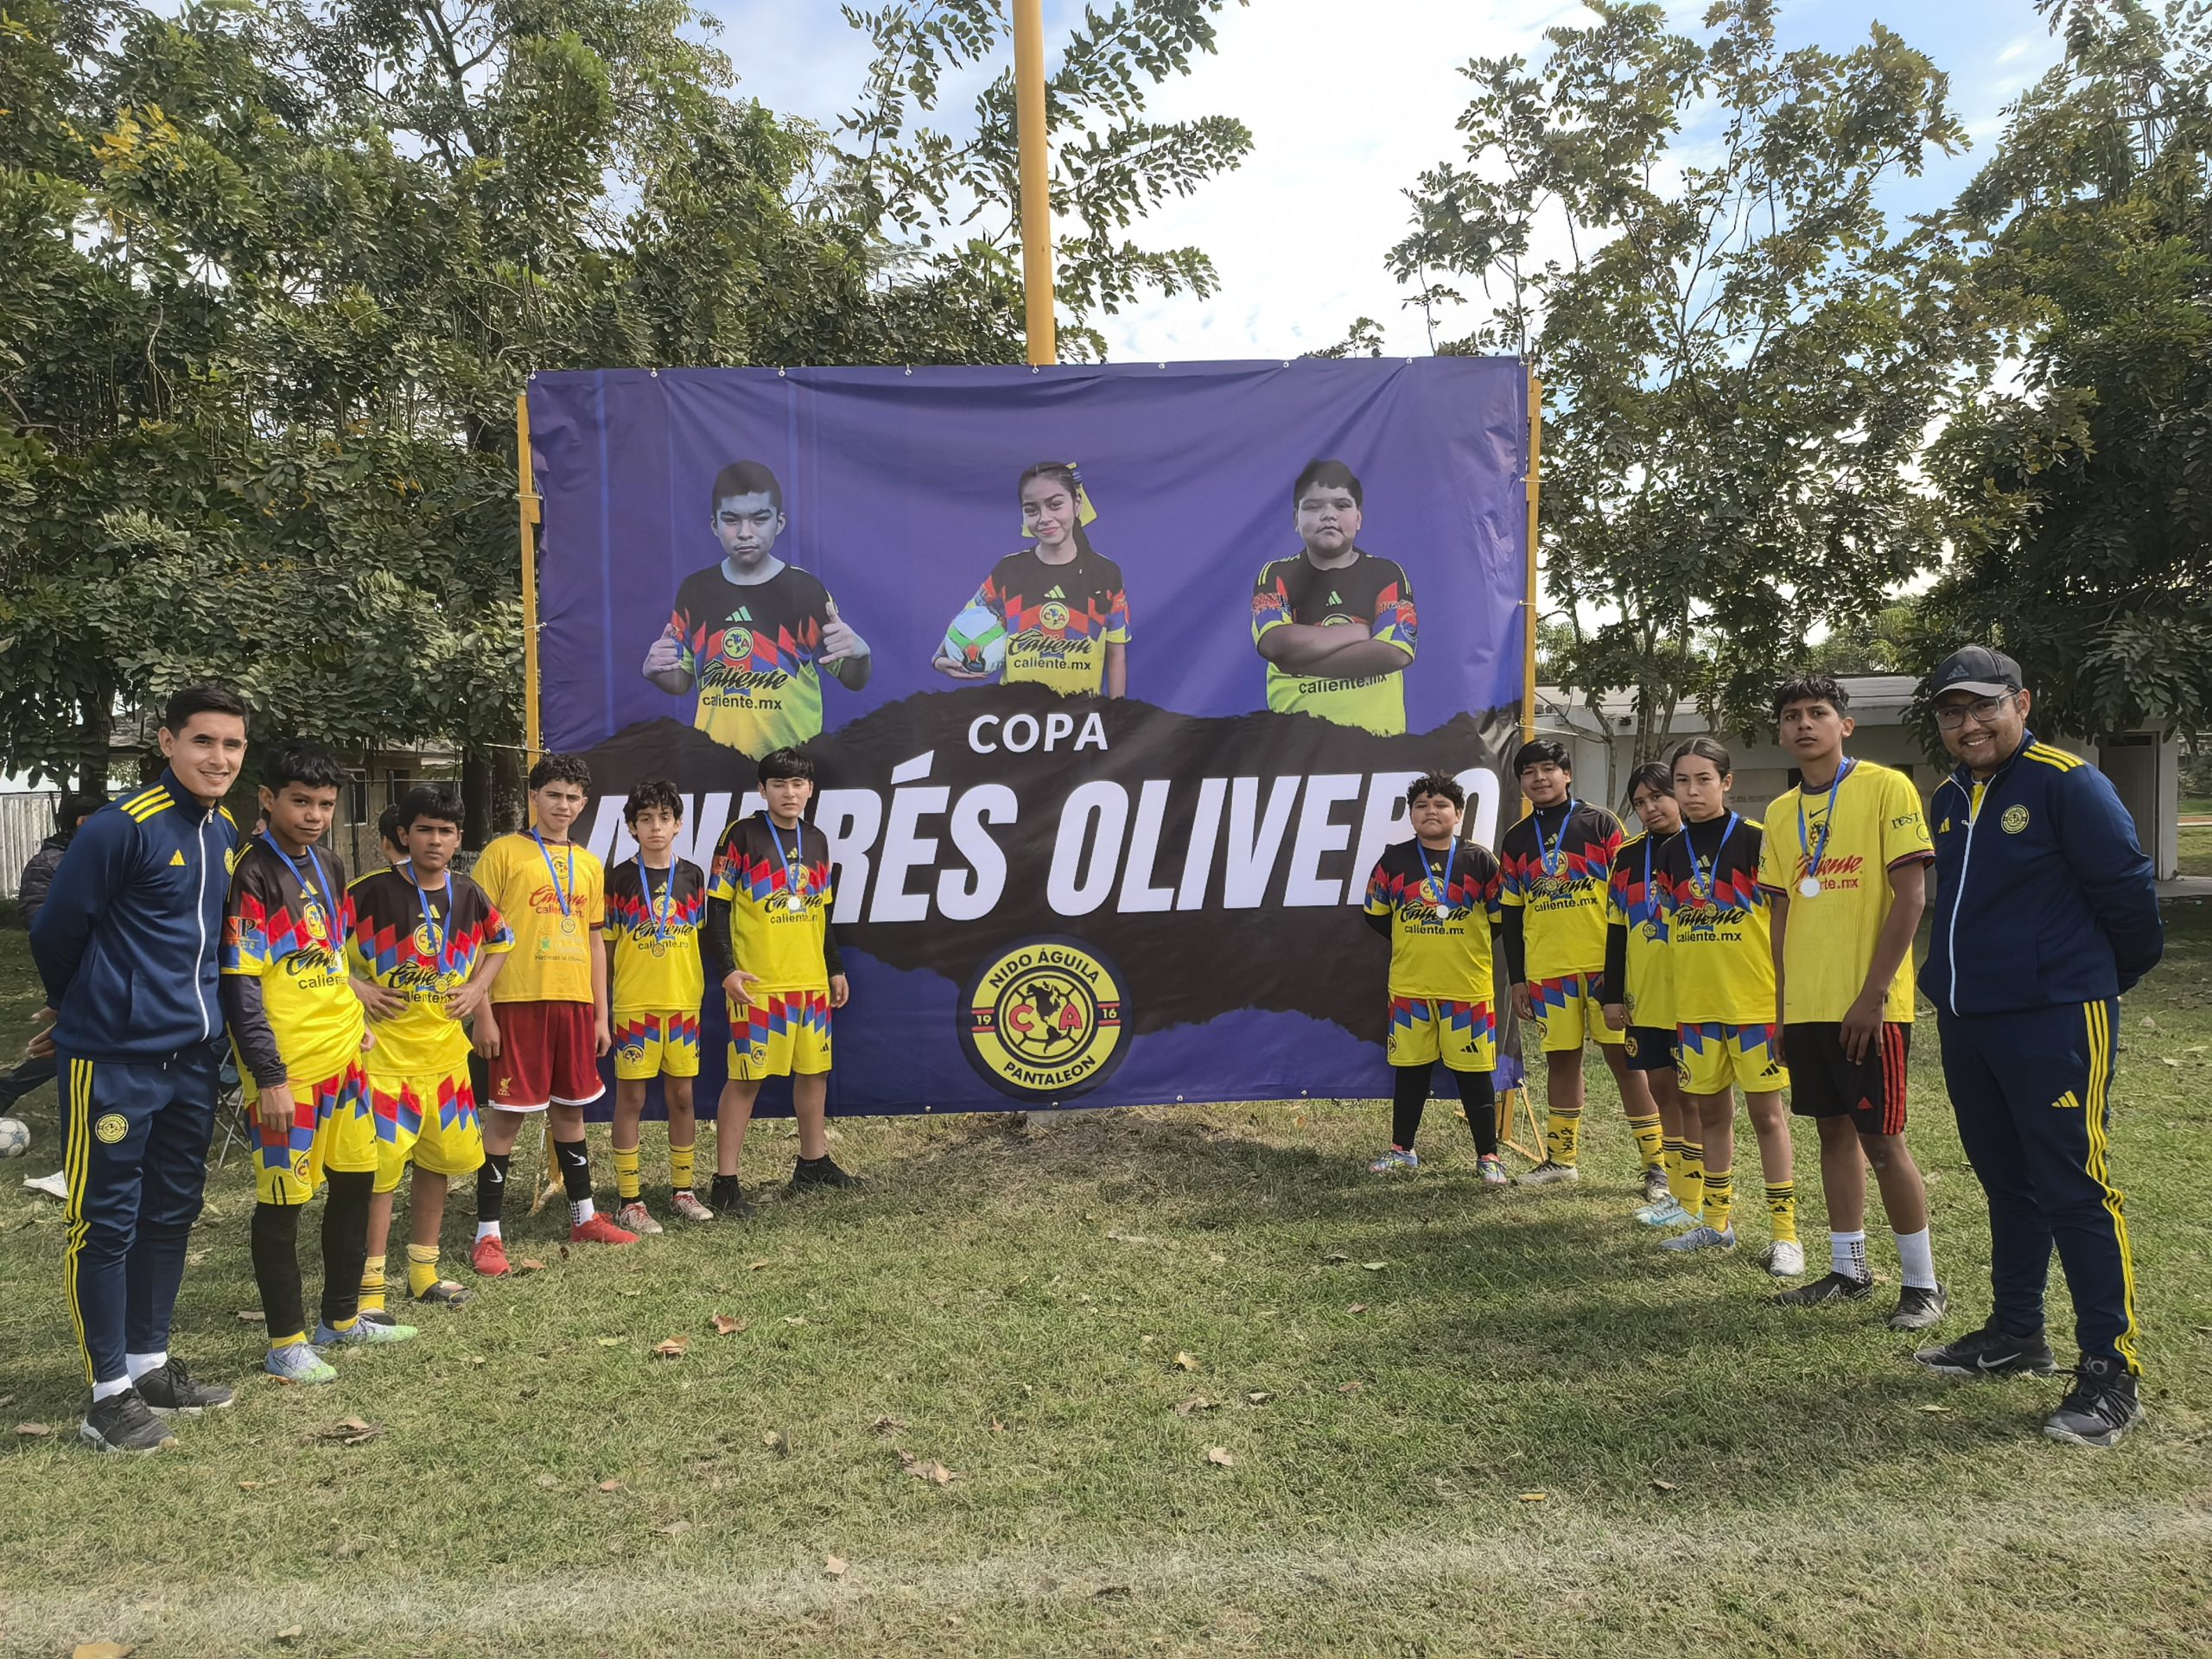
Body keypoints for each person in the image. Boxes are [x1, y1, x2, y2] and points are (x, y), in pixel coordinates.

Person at [1910, 645, 2164, 1448]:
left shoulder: (2067, 784)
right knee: (2006, 1180)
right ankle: (2018, 1334)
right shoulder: (1948, 798)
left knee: (2073, 1184)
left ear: (2024, 701)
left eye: (1984, 706)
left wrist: (2080, 982)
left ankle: (2109, 1369)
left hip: (2054, 1018)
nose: (1968, 723)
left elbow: (2129, 898)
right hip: (1969, 1019)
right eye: (1952, 712)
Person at [30, 686, 245, 1450]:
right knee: (107, 1220)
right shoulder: (123, 828)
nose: (219, 758)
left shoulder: (222, 830)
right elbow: (56, 931)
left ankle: (150, 1363)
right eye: (204, 742)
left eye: (232, 745)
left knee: (171, 1211)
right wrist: (85, 1008)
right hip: (114, 1061)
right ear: (167, 742)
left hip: (191, 1059)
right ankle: (107, 1393)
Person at [1759, 676, 1946, 1330]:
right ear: (1781, 732)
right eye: (1792, 715)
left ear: (1846, 725)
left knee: (1883, 1142)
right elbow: (1780, 916)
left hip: (1869, 1006)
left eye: (1818, 713)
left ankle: (1922, 1284)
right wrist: (1782, 1006)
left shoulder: (1885, 788)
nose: (1804, 724)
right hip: (1806, 1006)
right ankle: (1849, 1269)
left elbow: (1911, 897)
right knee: (1832, 1133)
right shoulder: (1781, 815)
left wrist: (1872, 997)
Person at [224, 740, 414, 1383]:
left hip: (345, 1060)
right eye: (300, 802)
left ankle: (340, 1320)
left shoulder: (330, 866)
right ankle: (285, 1342)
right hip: (289, 1073)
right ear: (268, 799)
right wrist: (269, 1075)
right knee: (283, 1203)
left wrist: (354, 1016)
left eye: (325, 804)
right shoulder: (251, 873)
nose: (312, 814)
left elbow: (328, 959)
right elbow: (241, 983)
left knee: (357, 1183)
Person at [346, 786, 512, 1320]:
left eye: (445, 831)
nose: (435, 840)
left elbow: (501, 942)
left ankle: (423, 1271)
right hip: (386, 1061)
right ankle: (370, 1288)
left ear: (458, 838)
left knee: (438, 1165)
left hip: (445, 1060)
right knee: (379, 1174)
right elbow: (318, 946)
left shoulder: (468, 893)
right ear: (405, 835)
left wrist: (476, 990)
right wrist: (359, 988)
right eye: (424, 830)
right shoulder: (367, 892)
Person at [467, 753, 636, 1269]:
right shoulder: (502, 853)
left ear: (584, 804)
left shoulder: (587, 864)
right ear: (533, 797)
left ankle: (584, 1216)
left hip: (574, 1005)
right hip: (516, 1002)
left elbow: (595, 940)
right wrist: (483, 1010)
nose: (563, 805)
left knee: (571, 1110)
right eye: (553, 795)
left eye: (572, 797)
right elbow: (476, 934)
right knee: (506, 1118)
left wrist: (601, 1015)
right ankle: (487, 1233)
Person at [1651, 738, 1801, 1274]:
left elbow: (1787, 923)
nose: (1692, 791)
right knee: (1712, 1116)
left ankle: (1786, 1235)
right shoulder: (1669, 853)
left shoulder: (1760, 841)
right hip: (1695, 1007)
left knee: (1767, 1117)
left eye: (1703, 780)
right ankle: (1717, 1223)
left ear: (1726, 782)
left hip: (1754, 1004)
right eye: (1683, 782)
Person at [1498, 740, 1662, 1193]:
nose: (1539, 778)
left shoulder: (1600, 823)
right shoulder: (1515, 839)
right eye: (1529, 772)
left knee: (1627, 1065)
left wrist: (1625, 965)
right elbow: (1511, 914)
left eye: (1549, 769)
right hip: (1549, 972)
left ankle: (1657, 1166)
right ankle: (1561, 1159)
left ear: (1567, 774)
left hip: (1603, 969)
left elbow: (1627, 896)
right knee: (1561, 1063)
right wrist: (1518, 978)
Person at [640, 460, 872, 757]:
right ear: (715, 525)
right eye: (732, 520)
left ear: (780, 523)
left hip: (790, 768)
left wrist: (860, 653)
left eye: (759, 519)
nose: (745, 532)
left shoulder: (806, 591)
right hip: (716, 761)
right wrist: (654, 670)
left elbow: (853, 680)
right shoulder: (694, 590)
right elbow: (681, 682)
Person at [702, 747, 849, 1216]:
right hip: (758, 983)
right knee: (746, 1079)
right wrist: (727, 969)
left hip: (809, 981)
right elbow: (717, 906)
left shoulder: (818, 839)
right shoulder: (740, 836)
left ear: (810, 789)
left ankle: (813, 1163)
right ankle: (725, 1181)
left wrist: (834, 967)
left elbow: (824, 911)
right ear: (762, 790)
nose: (790, 793)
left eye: (798, 784)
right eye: (779, 785)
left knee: (815, 1073)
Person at [1359, 772, 1508, 1184]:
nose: (1431, 812)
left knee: (1475, 1075)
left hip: (1467, 988)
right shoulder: (1394, 860)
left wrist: (1461, 944)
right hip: (1410, 987)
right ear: (1411, 815)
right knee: (1411, 1071)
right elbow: (1375, 914)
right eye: (1422, 806)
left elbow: (1499, 919)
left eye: (1441, 805)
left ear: (1458, 814)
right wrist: (1415, 940)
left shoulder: (1480, 861)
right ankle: (1402, 1150)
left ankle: (1488, 1156)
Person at [605, 779, 714, 1231]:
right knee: (631, 1098)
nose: (655, 827)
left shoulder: (692, 876)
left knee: (683, 1097)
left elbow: (698, 938)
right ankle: (629, 1201)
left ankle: (682, 1191)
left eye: (663, 818)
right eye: (645, 819)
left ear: (678, 824)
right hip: (635, 1005)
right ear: (631, 827)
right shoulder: (619, 879)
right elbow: (609, 948)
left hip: (683, 1002)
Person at [1600, 763, 1700, 1229]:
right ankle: (1677, 1192)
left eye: (1657, 797)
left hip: (1696, 992)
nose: (1649, 809)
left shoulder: (1703, 847)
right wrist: (1613, 994)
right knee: (1662, 1089)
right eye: (1639, 802)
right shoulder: (1626, 856)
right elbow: (1616, 931)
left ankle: (1699, 1193)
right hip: (1646, 995)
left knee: (1694, 1093)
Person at [933, 461, 1130, 696]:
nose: (1044, 518)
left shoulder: (1106, 574)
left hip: (1082, 721)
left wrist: (1116, 716)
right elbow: (968, 620)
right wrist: (938, 659)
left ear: (1077, 504)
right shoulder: (1008, 571)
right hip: (1017, 720)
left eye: (1055, 505)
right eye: (1031, 510)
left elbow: (1116, 653)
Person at [1250, 459, 1417, 734]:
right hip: (1292, 742)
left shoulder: (1386, 574)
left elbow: (1395, 652)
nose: (1329, 515)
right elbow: (1274, 643)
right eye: (1314, 506)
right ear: (1295, 519)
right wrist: (1358, 632)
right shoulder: (1276, 574)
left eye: (1342, 505)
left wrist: (1296, 660)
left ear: (1359, 518)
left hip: (1379, 743)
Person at [1, 791, 105, 1141]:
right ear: (83, 822)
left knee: (81, 1040)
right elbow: (39, 920)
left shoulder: (100, 856)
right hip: (79, 969)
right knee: (79, 1040)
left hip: (109, 966)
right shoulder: (50, 863)